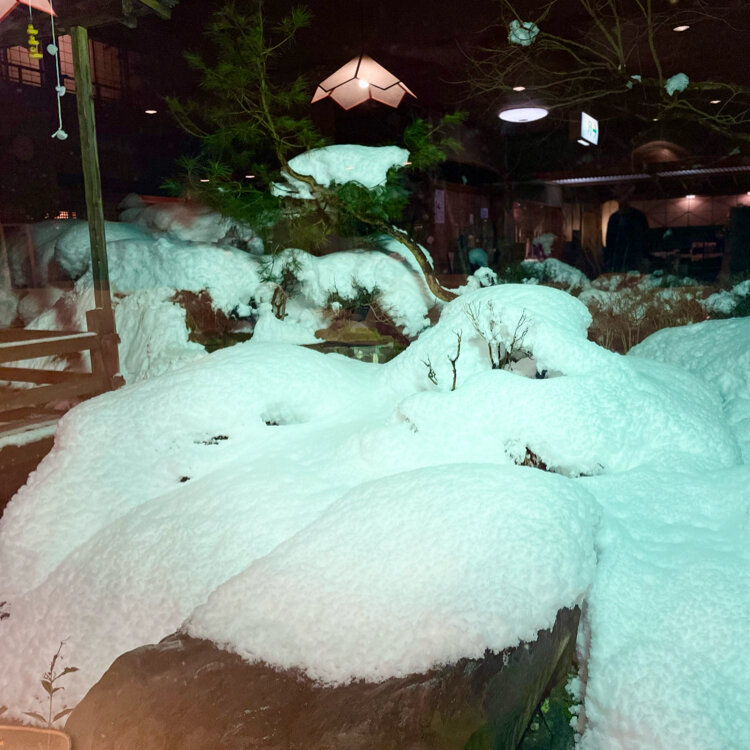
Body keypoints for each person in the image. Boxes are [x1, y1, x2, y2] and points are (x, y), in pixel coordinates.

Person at [604, 199, 650, 272]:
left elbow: (645, 237)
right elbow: (610, 240)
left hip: (635, 255)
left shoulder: (638, 216)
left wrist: (645, 255)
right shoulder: (614, 218)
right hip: (620, 256)